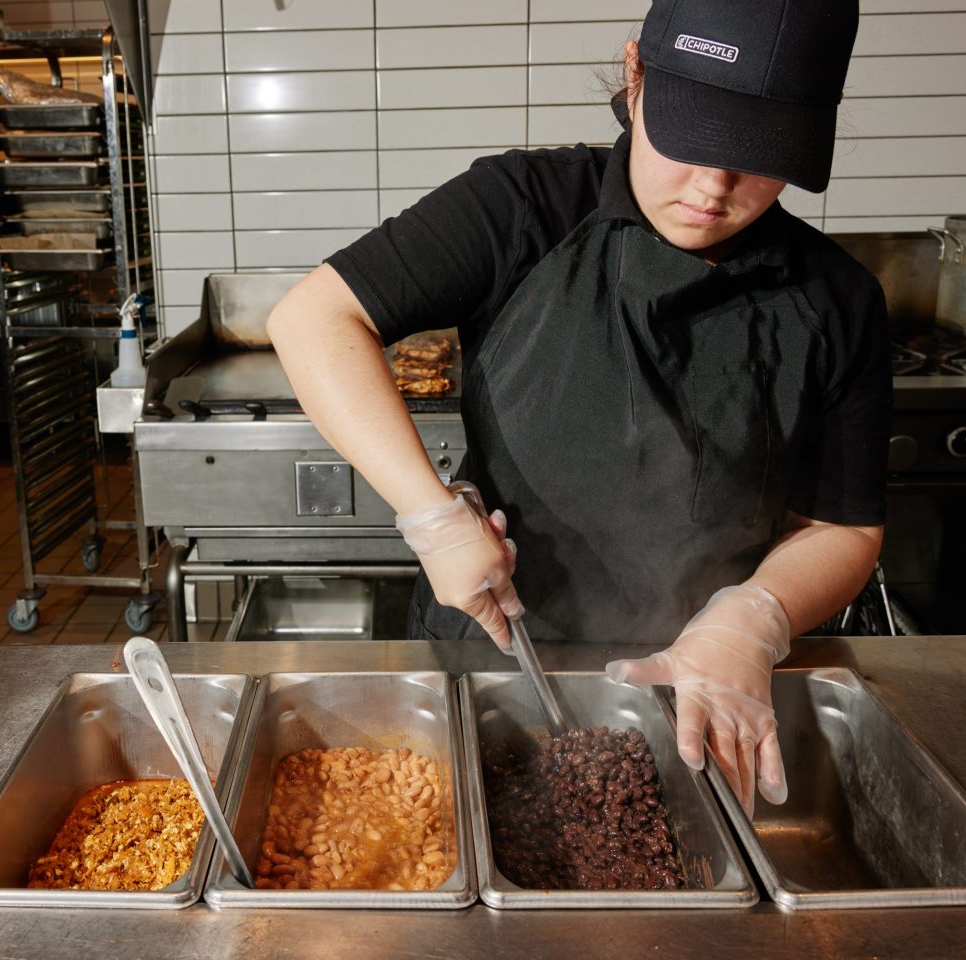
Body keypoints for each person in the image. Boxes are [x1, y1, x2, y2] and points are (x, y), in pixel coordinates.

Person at [267, 0, 887, 816]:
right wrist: (430, 515)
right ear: (635, 75)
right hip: (498, 652)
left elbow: (843, 527)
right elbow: (312, 319)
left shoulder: (836, 299)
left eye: (758, 156)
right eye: (692, 140)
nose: (713, 188)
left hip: (702, 682)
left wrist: (752, 621)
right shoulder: (523, 204)